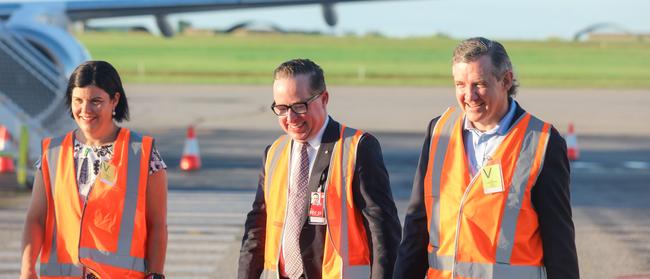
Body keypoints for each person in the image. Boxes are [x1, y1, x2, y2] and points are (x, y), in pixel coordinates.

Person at [394, 37, 579, 279]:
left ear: (506, 80)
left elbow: (559, 242)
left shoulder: (542, 142)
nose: (469, 96)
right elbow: (416, 229)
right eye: (460, 84)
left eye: (479, 84)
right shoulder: (439, 131)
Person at [238, 59, 401, 279]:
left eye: (299, 106)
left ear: (324, 99)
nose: (291, 118)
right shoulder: (275, 153)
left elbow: (383, 233)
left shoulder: (357, 148)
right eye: (282, 108)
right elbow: (257, 227)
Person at [20, 61, 168, 279]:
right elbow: (36, 218)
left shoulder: (143, 154)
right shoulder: (52, 153)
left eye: (96, 101)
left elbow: (157, 225)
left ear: (114, 100)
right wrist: (28, 269)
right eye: (78, 101)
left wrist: (156, 274)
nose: (85, 110)